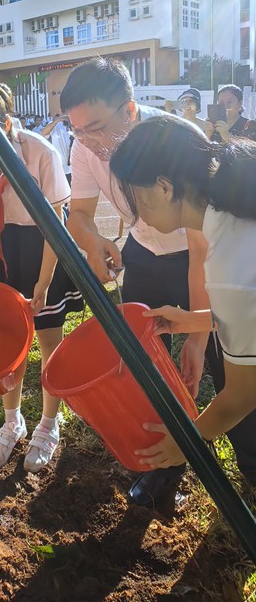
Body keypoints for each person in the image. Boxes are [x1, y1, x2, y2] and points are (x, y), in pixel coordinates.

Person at [59, 57, 231, 507]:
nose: (90, 142)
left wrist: (194, 337)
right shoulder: (84, 146)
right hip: (143, 254)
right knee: (140, 360)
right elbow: (78, 214)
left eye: (97, 127)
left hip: (199, 258)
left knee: (217, 363)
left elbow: (199, 247)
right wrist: (96, 241)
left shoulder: (175, 141)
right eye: (77, 131)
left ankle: (232, 456)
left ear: (130, 111)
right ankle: (166, 466)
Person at [109, 115, 256, 474]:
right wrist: (195, 321)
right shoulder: (237, 211)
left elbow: (242, 395)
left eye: (136, 199)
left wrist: (185, 440)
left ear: (164, 187)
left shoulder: (228, 265)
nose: (138, 217)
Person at [0, 79, 83, 473]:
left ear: (5, 124)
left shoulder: (39, 152)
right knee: (8, 341)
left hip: (43, 246)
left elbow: (54, 224)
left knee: (47, 338)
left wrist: (43, 284)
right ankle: (12, 421)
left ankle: (47, 422)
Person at [41, 115, 72, 183]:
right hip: (60, 169)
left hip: (76, 169)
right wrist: (58, 120)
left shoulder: (79, 124)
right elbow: (43, 133)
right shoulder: (56, 124)